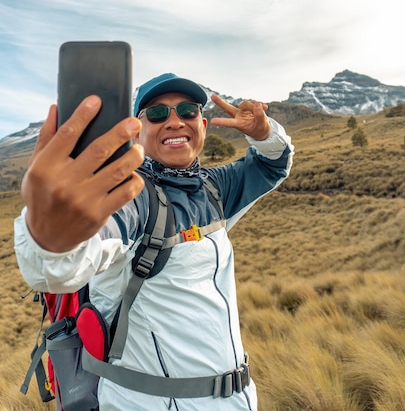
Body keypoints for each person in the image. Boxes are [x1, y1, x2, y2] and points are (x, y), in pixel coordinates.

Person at [14, 72, 294, 411]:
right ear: (137, 130)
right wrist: (50, 235)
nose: (175, 122)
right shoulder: (129, 197)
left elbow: (272, 164)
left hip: (238, 400)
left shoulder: (213, 187)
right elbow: (64, 266)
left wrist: (264, 134)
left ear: (202, 124)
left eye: (187, 111)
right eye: (158, 114)